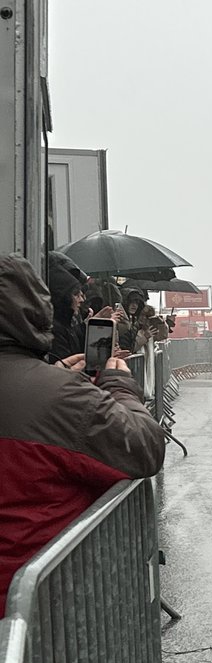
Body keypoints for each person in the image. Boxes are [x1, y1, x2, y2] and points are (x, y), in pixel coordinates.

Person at [0, 254, 166, 616]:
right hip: (36, 617)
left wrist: (55, 372)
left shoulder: (53, 389)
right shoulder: (60, 397)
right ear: (34, 309)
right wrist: (121, 386)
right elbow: (144, 447)